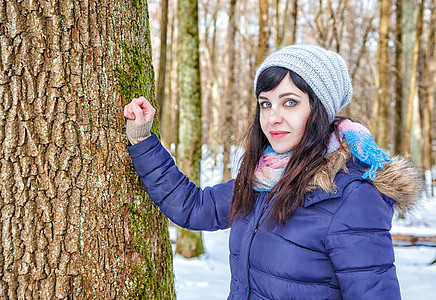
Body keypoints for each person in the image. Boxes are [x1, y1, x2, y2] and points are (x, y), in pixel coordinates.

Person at [124, 45, 422, 299]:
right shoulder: (262, 178)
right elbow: (193, 206)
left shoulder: (353, 197)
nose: (273, 117)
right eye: (265, 104)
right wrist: (142, 139)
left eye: (290, 102)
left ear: (320, 108)